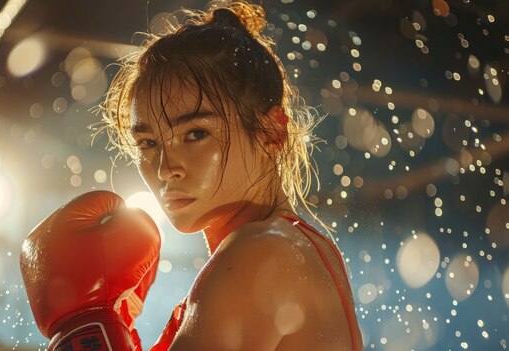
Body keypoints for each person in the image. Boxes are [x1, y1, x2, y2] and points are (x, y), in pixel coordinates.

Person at [91, 1, 365, 350]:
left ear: (271, 133)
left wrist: (86, 330)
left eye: (196, 134)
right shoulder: (298, 243)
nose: (164, 168)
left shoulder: (259, 254)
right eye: (148, 142)